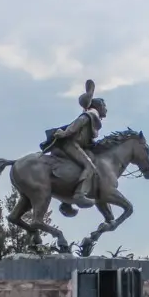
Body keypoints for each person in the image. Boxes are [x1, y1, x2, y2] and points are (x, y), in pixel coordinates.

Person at [42, 79, 107, 208]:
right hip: (70, 144)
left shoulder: (92, 117)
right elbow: (77, 124)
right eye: (105, 107)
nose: (106, 110)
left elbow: (86, 138)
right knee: (89, 167)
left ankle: (66, 200)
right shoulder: (90, 115)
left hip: (75, 145)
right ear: (98, 107)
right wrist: (65, 133)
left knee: (81, 165)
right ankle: (79, 195)